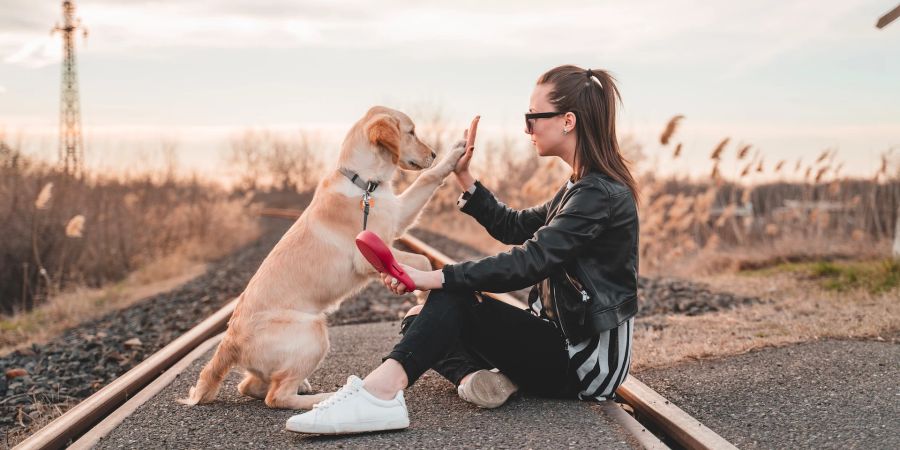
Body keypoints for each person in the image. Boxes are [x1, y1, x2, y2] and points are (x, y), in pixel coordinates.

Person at [285, 64, 641, 435]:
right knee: (418, 320)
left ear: (567, 121)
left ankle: (379, 394)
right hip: (557, 341)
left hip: (584, 362)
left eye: (532, 117)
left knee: (448, 300)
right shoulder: (579, 187)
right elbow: (514, 226)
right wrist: (464, 176)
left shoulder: (597, 194)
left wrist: (434, 277)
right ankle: (478, 379)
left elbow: (530, 261)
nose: (526, 128)